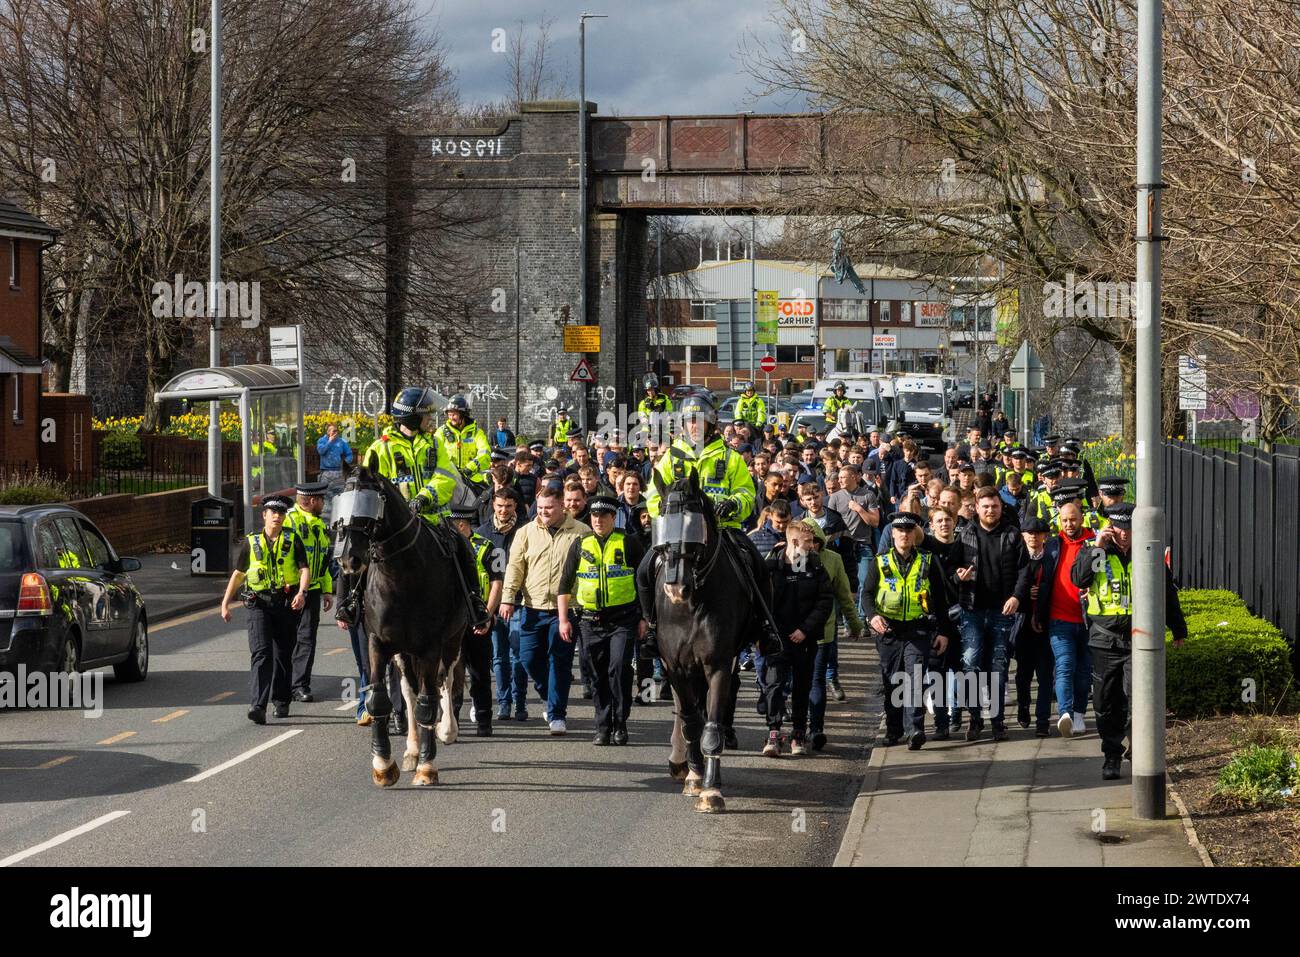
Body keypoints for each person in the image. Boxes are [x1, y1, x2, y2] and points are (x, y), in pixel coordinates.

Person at [640, 391, 781, 660]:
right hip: (679, 534)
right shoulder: (671, 458)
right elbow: (653, 496)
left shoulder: (730, 458)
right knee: (645, 570)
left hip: (722, 530)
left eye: (699, 420)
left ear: (710, 423)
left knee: (759, 567)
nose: (694, 425)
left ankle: (766, 628)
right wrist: (664, 511)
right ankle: (651, 628)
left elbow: (746, 492)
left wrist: (732, 503)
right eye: (690, 420)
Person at [1071, 503, 1187, 779]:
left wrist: (1178, 629)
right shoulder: (1099, 552)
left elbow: (1167, 594)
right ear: (1111, 527)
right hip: (1104, 640)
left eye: (1129, 528)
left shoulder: (1147, 553)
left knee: (1140, 698)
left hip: (1138, 639)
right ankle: (1111, 754)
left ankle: (1138, 749)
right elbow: (1080, 578)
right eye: (1119, 528)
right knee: (1105, 702)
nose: (1124, 534)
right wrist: (1097, 545)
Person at [359, 386, 488, 629]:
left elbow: (447, 476)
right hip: (393, 523)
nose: (431, 420)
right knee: (360, 552)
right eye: (426, 415)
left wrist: (424, 497)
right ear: (413, 418)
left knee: (463, 547)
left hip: (433, 516)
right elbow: (371, 485)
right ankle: (351, 602)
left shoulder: (434, 443)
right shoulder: (381, 448)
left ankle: (474, 601)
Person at [499, 482, 591, 735]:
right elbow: (515, 567)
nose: (543, 512)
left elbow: (588, 572)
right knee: (527, 658)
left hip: (566, 609)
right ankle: (549, 697)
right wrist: (507, 598)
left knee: (560, 662)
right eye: (539, 508)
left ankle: (557, 715)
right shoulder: (526, 532)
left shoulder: (582, 532)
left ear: (562, 505)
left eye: (549, 507)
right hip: (531, 606)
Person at [862, 512, 958, 749]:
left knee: (914, 679)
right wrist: (873, 616)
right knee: (893, 682)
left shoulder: (928, 560)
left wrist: (944, 631)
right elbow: (866, 594)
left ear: (915, 534)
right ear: (893, 533)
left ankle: (915, 729)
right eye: (900, 530)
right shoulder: (881, 560)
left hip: (918, 631)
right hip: (890, 631)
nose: (905, 535)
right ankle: (893, 731)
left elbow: (940, 598)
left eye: (909, 530)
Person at [557, 494, 647, 746]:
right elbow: (564, 584)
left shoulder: (629, 542)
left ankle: (620, 722)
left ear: (612, 517)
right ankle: (603, 726)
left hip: (623, 619)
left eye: (603, 516)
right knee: (596, 676)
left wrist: (644, 618)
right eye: (594, 516)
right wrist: (563, 619)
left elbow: (643, 584)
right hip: (589, 620)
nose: (597, 520)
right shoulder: (580, 544)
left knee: (618, 669)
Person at [220, 496, 310, 724]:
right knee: (261, 653)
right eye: (273, 512)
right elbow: (238, 574)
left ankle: (281, 701)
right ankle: (258, 705)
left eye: (281, 513)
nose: (277, 516)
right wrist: (225, 603)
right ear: (264, 516)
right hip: (258, 603)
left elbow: (304, 569)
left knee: (283, 654)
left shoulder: (293, 539)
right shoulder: (251, 543)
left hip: (286, 603)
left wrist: (302, 593)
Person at [952, 487, 1031, 741]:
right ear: (976, 507)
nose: (990, 510)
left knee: (998, 668)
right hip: (972, 610)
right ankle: (975, 720)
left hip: (1001, 610)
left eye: (994, 506)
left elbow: (1024, 570)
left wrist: (1016, 597)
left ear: (1000, 507)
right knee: (971, 665)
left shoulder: (1012, 535)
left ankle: (997, 722)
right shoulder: (965, 534)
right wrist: (957, 576)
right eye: (985, 506)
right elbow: (950, 569)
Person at [760, 520, 834, 757]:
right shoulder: (771, 567)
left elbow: (824, 602)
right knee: (774, 684)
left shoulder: (814, 566)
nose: (813, 546)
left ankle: (799, 733)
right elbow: (760, 604)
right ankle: (774, 732)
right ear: (793, 542)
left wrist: (805, 629)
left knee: (802, 687)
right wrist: (764, 634)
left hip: (805, 638)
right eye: (808, 541)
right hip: (777, 638)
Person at [1033, 500, 1096, 738]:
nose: (1069, 524)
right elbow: (1041, 577)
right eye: (1065, 520)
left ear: (1081, 518)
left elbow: (1102, 574)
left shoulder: (1094, 543)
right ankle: (1065, 713)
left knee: (1083, 671)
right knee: (1064, 666)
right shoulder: (1052, 545)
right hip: (1059, 619)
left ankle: (1079, 714)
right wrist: (1038, 611)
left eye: (1073, 519)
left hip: (1088, 619)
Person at [803, 517, 864, 750]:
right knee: (799, 682)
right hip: (795, 632)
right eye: (807, 541)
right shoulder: (789, 556)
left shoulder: (833, 559)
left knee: (816, 679)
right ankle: (798, 726)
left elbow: (844, 595)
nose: (812, 546)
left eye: (815, 541)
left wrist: (855, 624)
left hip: (823, 631)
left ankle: (816, 728)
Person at [449, 502, 503, 735]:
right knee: (452, 674)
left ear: (461, 524)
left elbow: (496, 583)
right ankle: (452, 721)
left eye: (451, 525)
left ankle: (484, 721)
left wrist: (487, 616)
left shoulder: (486, 547)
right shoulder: (445, 548)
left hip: (476, 620)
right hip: (452, 622)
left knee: (480, 673)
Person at [477, 487, 528, 722]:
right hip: (494, 604)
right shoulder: (482, 533)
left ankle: (520, 702)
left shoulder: (525, 530)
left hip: (519, 601)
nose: (504, 510)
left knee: (519, 654)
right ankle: (504, 702)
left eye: (508, 506)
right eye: (499, 506)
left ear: (515, 506)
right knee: (499, 656)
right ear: (493, 506)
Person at [284, 482, 333, 703]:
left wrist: (327, 589)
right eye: (322, 500)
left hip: (311, 590)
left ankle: (300, 685)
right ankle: (283, 685)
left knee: (306, 639)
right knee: (286, 638)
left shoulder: (318, 524)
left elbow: (322, 559)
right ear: (313, 501)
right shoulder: (290, 521)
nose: (324, 504)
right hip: (287, 589)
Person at [1013, 516, 1054, 736]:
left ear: (1045, 536)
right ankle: (1023, 706)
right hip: (1022, 624)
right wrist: (1024, 594)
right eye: (1029, 533)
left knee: (1046, 674)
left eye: (1038, 533)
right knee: (1023, 674)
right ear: (1023, 535)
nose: (1033, 537)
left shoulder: (1051, 559)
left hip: (1046, 624)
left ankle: (1043, 722)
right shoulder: (1018, 558)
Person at [440, 394, 493, 489]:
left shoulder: (477, 432)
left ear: (463, 414)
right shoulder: (441, 432)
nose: (451, 417)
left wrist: (470, 468)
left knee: (486, 499)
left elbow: (485, 453)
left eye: (454, 414)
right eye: (449, 414)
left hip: (473, 478)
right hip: (449, 478)